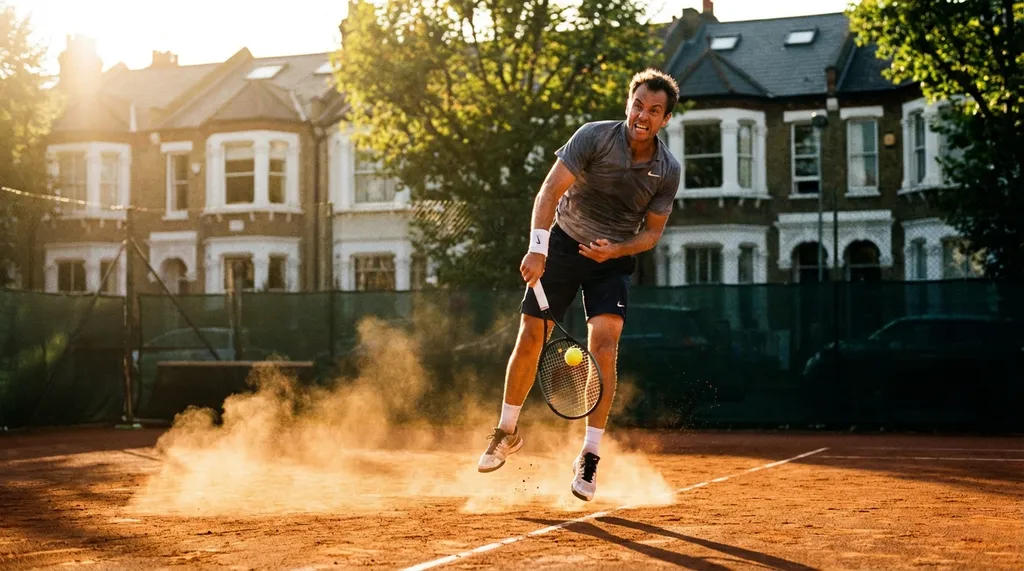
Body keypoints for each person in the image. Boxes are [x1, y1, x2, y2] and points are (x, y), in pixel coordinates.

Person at [477, 68, 681, 501]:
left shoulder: (667, 170)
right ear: (629, 103)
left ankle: (588, 457)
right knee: (532, 336)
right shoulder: (593, 137)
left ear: (665, 120)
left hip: (611, 261)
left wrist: (617, 250)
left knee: (604, 348)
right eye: (639, 104)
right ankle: (506, 431)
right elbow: (549, 192)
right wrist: (539, 248)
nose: (643, 115)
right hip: (564, 246)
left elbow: (652, 234)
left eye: (655, 110)